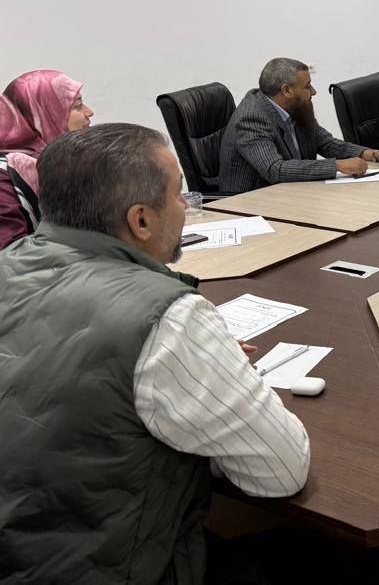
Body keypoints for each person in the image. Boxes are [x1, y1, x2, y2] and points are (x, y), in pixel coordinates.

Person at [0, 123, 310, 582]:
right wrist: (220, 375)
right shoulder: (169, 317)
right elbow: (281, 471)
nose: (186, 207)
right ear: (141, 220)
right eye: (179, 194)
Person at [218, 57, 379, 194]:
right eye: (307, 86)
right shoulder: (251, 118)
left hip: (292, 193)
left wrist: (372, 154)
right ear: (286, 90)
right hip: (252, 202)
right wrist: (337, 166)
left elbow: (326, 143)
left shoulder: (295, 108)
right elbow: (275, 169)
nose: (314, 92)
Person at [0, 69, 94, 249]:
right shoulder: (4, 179)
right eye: (77, 106)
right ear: (46, 114)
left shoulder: (69, 167)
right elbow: (9, 256)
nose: (90, 112)